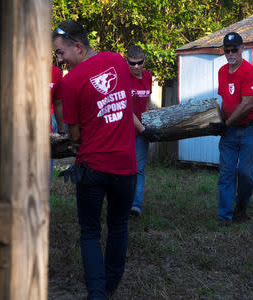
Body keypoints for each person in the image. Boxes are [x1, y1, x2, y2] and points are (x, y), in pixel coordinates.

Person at [53, 20, 137, 299]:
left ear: (77, 47)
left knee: (89, 231)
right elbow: (124, 106)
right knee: (118, 225)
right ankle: (112, 284)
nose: (59, 59)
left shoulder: (70, 82)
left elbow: (74, 135)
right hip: (126, 165)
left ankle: (97, 292)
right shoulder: (117, 61)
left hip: (92, 167)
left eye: (61, 52)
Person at [214, 32, 253, 226]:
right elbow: (225, 100)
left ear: (242, 48)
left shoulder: (249, 71)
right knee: (226, 172)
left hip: (251, 130)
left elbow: (247, 104)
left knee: (245, 173)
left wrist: (225, 123)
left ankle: (241, 206)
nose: (230, 53)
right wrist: (218, 119)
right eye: (227, 50)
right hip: (230, 131)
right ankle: (225, 216)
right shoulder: (221, 72)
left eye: (234, 49)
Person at [126, 45, 158, 216]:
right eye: (132, 63)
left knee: (138, 169)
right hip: (124, 132)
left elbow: (148, 103)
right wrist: (143, 129)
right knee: (123, 169)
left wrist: (155, 122)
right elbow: (125, 109)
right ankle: (122, 203)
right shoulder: (123, 78)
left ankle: (135, 206)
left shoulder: (148, 76)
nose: (137, 67)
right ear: (127, 62)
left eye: (140, 63)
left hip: (141, 133)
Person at [49, 65, 64, 186]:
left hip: (45, 134)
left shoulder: (55, 72)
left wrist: (61, 131)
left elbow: (58, 102)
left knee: (44, 182)